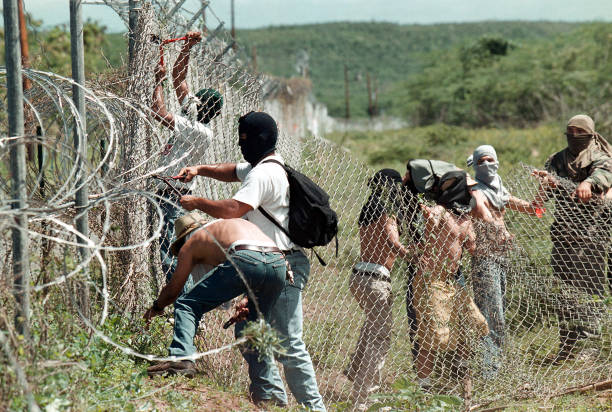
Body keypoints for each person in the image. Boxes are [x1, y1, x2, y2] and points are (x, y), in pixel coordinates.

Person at [176, 111, 326, 410]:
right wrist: (200, 169)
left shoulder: (264, 174)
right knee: (249, 331)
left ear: (259, 139)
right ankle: (273, 401)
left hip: (284, 264)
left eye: (245, 139)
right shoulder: (265, 166)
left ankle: (314, 408)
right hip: (267, 262)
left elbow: (234, 208)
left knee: (288, 343)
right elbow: (233, 171)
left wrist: (196, 202)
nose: (241, 145)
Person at [144, 213, 286, 378]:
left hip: (245, 257)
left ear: (184, 236)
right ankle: (268, 393)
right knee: (254, 328)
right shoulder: (227, 226)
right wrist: (247, 298)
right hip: (278, 262)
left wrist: (156, 307)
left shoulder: (191, 243)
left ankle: (181, 358)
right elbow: (262, 260)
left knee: (187, 304)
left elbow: (173, 291)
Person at [533, 114, 612, 362]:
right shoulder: (557, 160)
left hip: (591, 237)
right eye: (570, 131)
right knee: (564, 293)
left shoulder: (600, 157)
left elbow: (603, 174)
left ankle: (588, 348)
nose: (574, 136)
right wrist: (546, 184)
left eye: (580, 132)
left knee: (588, 292)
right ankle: (567, 347)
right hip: (563, 237)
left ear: (589, 133)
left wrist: (588, 183)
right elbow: (544, 195)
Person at [150, 30, 224, 284]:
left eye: (194, 100)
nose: (188, 100)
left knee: (168, 253)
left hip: (171, 193)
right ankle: (185, 295)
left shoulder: (199, 131)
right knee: (168, 248)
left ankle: (182, 299)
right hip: (167, 190)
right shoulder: (193, 115)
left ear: (201, 107)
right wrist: (188, 47)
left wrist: (155, 82)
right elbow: (179, 78)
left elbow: (159, 113)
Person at [467, 145, 540, 377]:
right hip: (484, 260)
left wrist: (544, 188)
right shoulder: (475, 191)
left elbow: (532, 209)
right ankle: (490, 371)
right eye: (481, 161)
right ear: (476, 165)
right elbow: (480, 210)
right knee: (491, 314)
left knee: (498, 313)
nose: (487, 165)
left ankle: (494, 365)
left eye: (490, 160)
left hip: (501, 259)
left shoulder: (499, 190)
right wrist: (500, 232)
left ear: (497, 161)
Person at [346, 169, 416, 410]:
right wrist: (415, 257)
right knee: (381, 338)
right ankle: (364, 400)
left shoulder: (368, 208)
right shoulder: (387, 211)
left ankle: (355, 368)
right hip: (377, 279)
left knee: (373, 325)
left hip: (359, 276)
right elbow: (392, 242)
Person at [411, 198, 488, 389]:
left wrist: (475, 236)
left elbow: (472, 248)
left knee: (479, 324)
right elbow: (434, 217)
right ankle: (424, 387)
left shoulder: (465, 218)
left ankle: (461, 371)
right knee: (433, 337)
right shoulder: (443, 211)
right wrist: (430, 215)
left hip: (451, 282)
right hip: (431, 281)